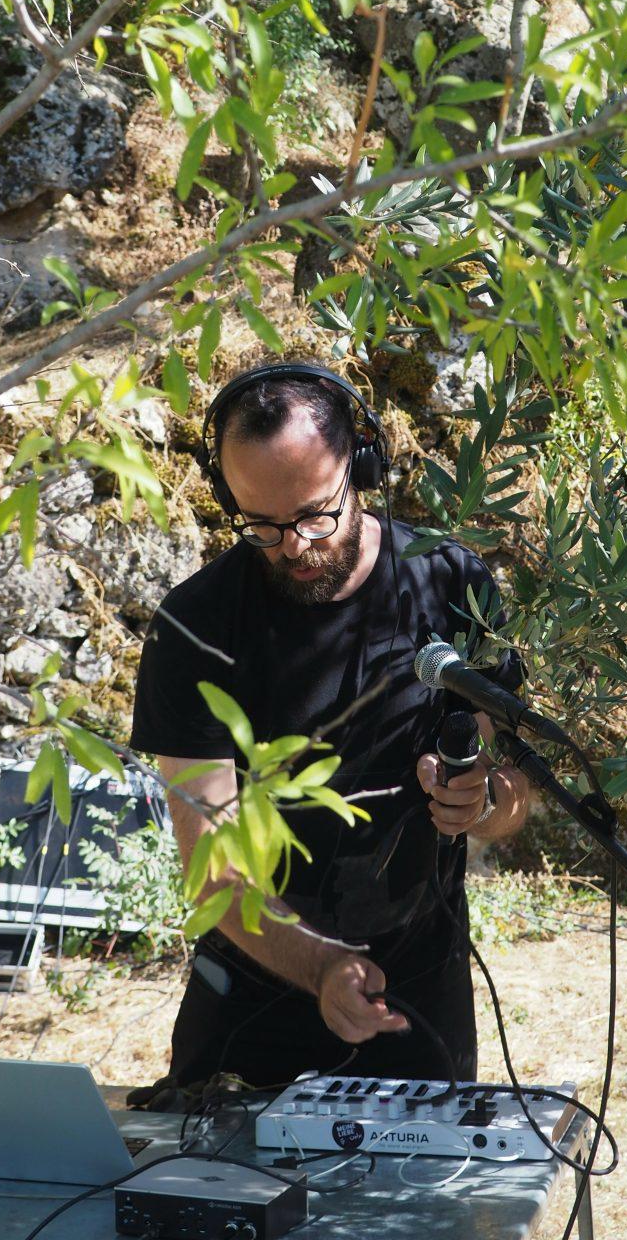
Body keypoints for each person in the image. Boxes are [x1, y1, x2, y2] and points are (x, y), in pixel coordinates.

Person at [131, 362, 531, 1091]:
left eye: (317, 513)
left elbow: (514, 790)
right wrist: (322, 966)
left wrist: (484, 804)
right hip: (250, 1005)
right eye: (261, 524)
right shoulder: (195, 630)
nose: (295, 545)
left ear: (364, 464)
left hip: (422, 993)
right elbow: (213, 870)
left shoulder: (452, 584)